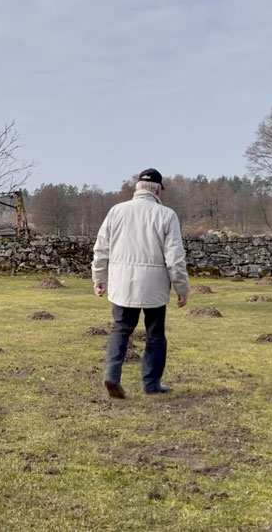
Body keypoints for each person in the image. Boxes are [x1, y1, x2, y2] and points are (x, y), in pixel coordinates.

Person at [91, 168, 189, 399]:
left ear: (137, 188)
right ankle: (151, 383)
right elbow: (175, 257)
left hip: (122, 285)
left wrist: (99, 279)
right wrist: (181, 288)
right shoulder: (166, 215)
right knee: (155, 335)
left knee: (120, 330)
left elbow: (101, 249)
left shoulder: (116, 211)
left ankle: (112, 375)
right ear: (157, 189)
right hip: (154, 287)